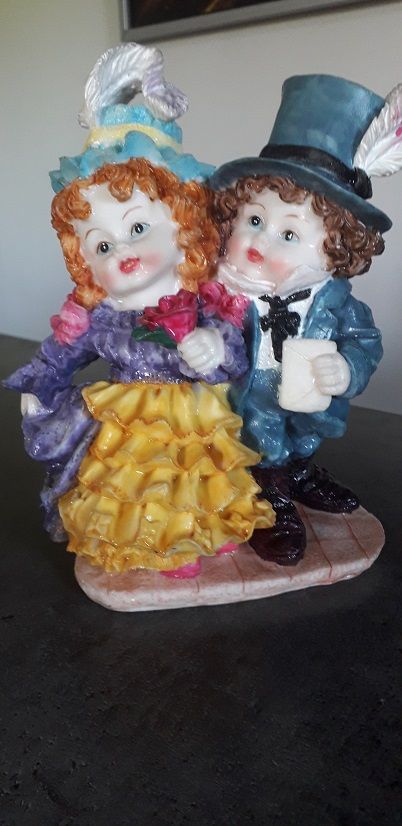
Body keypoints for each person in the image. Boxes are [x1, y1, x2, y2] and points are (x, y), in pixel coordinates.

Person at [5, 46, 274, 578]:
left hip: (194, 412)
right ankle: (159, 544)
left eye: (137, 228)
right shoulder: (98, 315)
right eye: (101, 245)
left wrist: (213, 347)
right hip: (127, 416)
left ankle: (209, 527)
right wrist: (40, 386)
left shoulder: (204, 299)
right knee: (139, 483)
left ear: (183, 228)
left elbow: (235, 351)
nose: (121, 251)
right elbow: (62, 353)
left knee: (200, 475)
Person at [210, 74, 402, 564]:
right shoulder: (221, 292)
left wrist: (347, 368)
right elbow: (198, 331)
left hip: (305, 402)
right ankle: (265, 499)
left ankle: (297, 474)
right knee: (260, 439)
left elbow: (364, 340)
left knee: (301, 435)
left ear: (336, 249)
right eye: (254, 220)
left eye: (290, 235)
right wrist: (206, 346)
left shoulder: (336, 302)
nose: (260, 241)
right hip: (243, 403)